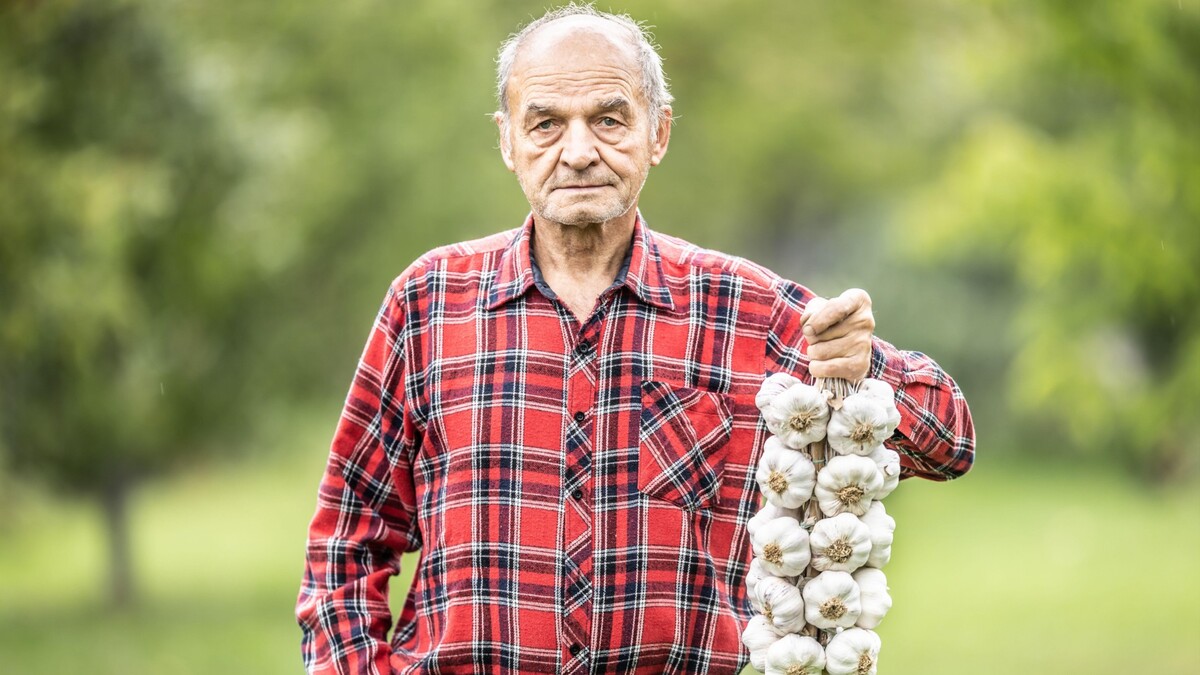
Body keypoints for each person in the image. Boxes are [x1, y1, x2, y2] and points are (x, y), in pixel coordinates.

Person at [296, 5, 975, 674]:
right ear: (508, 141)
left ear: (659, 132)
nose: (580, 150)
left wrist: (863, 367)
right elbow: (346, 541)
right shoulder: (429, 302)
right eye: (546, 124)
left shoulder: (743, 308)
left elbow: (950, 438)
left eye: (610, 119)